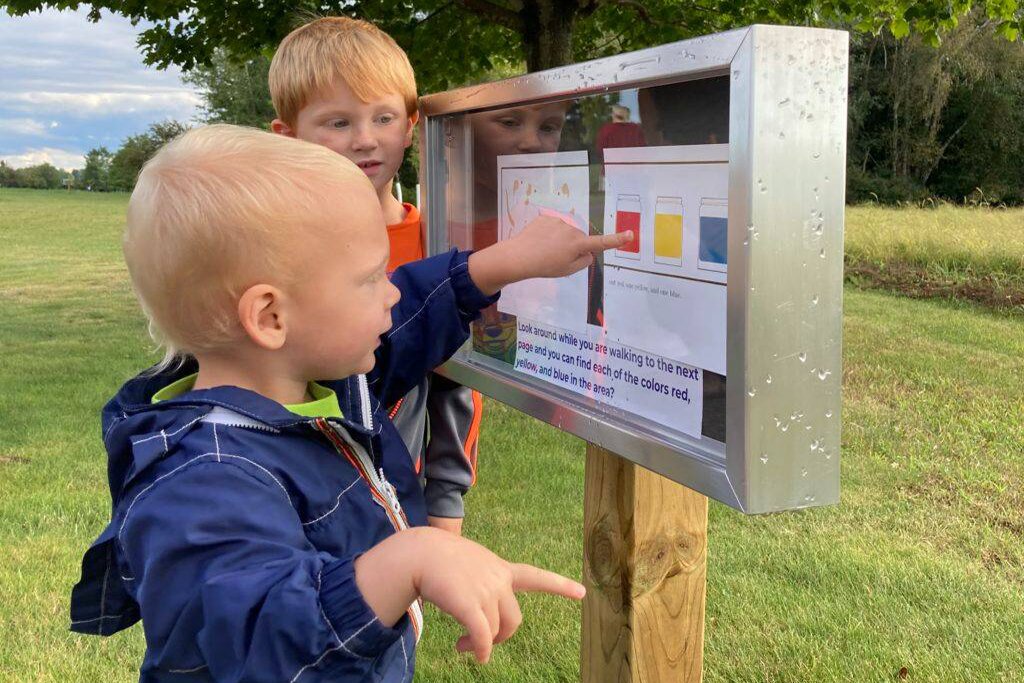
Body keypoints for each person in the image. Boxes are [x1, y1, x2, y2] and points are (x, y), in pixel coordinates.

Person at [69, 125, 631, 681]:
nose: (389, 291)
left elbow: (411, 315)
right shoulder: (203, 479)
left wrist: (510, 260)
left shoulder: (316, 382)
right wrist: (408, 561)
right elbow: (260, 642)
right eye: (368, 280)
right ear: (270, 317)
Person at [269, 16, 480, 534]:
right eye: (338, 123)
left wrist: (446, 500)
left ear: (412, 124)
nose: (365, 140)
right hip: (286, 494)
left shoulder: (439, 246)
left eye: (383, 118)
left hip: (393, 499)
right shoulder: (269, 243)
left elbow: (459, 382)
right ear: (288, 135)